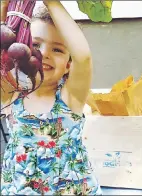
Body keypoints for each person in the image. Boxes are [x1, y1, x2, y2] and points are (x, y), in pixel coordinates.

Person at [1, 0, 102, 195]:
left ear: (68, 65)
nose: (44, 53)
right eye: (36, 44)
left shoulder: (70, 97)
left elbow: (83, 57)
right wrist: (4, 6)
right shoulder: (12, 92)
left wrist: (51, 2)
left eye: (57, 49)